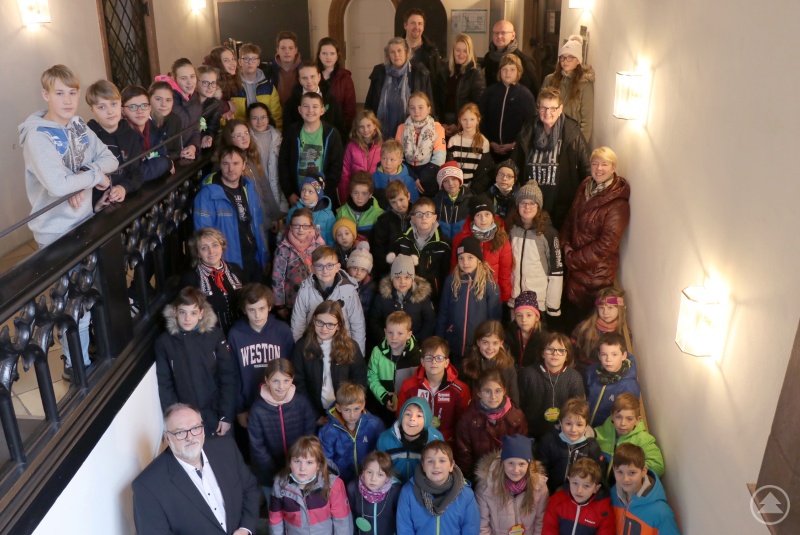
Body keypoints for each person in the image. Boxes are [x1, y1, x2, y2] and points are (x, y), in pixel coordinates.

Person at [20, 64, 117, 379]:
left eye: (72, 93)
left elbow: (110, 159)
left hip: (83, 221)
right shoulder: (37, 135)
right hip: (56, 232)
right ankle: (76, 365)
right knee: (72, 303)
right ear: (45, 94)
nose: (67, 100)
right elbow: (58, 186)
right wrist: (90, 177)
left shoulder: (77, 125)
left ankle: (82, 356)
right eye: (59, 93)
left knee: (87, 296)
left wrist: (80, 179)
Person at [132, 404, 259, 535]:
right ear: (168, 438)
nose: (190, 437)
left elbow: (249, 490)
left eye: (195, 428)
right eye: (180, 432)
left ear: (203, 430)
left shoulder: (226, 448)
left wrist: (245, 528)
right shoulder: (147, 486)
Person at [560, 147, 631, 326]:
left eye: (604, 164)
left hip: (594, 276)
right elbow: (571, 216)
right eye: (595, 164)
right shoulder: (586, 185)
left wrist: (572, 258)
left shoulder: (618, 205)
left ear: (613, 168)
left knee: (585, 326)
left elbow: (605, 246)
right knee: (569, 324)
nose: (599, 169)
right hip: (574, 269)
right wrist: (565, 243)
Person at [155, 288, 238, 437]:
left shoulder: (214, 335)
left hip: (216, 413)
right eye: (182, 312)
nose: (187, 318)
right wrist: (175, 418)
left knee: (222, 455)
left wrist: (226, 415)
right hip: (187, 419)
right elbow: (165, 384)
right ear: (175, 312)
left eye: (193, 313)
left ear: (201, 313)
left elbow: (228, 376)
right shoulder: (164, 342)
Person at [510, 87, 591, 231]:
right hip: (530, 203)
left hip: (560, 204)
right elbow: (515, 163)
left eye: (553, 108)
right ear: (538, 108)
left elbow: (586, 167)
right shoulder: (528, 129)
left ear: (561, 109)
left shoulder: (572, 132)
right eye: (544, 108)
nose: (548, 113)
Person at [194, 145, 268, 282]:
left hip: (253, 259)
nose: (231, 169)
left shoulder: (249, 187)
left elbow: (258, 224)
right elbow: (203, 236)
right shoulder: (207, 194)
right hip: (228, 264)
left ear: (244, 165)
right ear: (220, 165)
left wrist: (264, 257)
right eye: (226, 164)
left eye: (236, 163)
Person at [248, 358, 317, 504]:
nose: (281, 386)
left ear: (292, 379)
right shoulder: (257, 409)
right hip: (269, 474)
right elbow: (257, 446)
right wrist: (276, 472)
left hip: (299, 470)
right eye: (275, 381)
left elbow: (309, 435)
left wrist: (296, 466)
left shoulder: (301, 402)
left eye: (286, 381)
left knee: (298, 509)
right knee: (275, 508)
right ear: (266, 380)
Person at [227, 283, 295, 424]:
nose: (257, 315)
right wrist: (239, 409)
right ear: (244, 310)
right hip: (249, 405)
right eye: (251, 310)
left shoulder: (282, 330)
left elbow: (292, 369)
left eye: (261, 309)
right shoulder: (236, 334)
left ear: (270, 307)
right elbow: (233, 374)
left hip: (280, 403)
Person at [291, 300, 368, 418]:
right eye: (320, 322)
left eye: (330, 324)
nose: (324, 328)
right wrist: (315, 416)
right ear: (314, 320)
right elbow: (298, 385)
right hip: (312, 413)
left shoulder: (351, 347)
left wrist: (346, 412)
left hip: (345, 413)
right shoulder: (302, 347)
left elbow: (359, 382)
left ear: (339, 326)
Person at [268, 436, 354, 535]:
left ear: (318, 465)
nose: (302, 468)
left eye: (309, 462)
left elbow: (342, 522)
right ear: (289, 463)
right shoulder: (280, 485)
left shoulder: (334, 484)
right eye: (297, 461)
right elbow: (275, 520)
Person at [436, 236, 502, 364]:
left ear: (478, 260)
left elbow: (494, 319)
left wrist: (489, 343)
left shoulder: (490, 285)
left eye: (470, 257)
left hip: (478, 348)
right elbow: (443, 313)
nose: (465, 262)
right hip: (453, 344)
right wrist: (440, 340)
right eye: (461, 258)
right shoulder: (451, 281)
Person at [290, 245, 367, 352]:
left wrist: (358, 355)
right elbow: (298, 324)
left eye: (330, 265)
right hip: (314, 347)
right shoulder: (305, 291)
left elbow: (357, 325)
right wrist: (300, 351)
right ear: (312, 268)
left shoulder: (349, 291)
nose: (325, 270)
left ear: (337, 267)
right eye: (319, 266)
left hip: (342, 348)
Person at [396, 440, 481, 535]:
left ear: (451, 465)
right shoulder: (408, 492)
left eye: (442, 460)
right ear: (423, 465)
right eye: (430, 461)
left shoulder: (466, 494)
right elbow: (405, 529)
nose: (436, 466)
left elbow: (471, 529)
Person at [454, 369, 527, 479]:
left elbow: (521, 452)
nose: (493, 397)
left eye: (498, 391)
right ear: (479, 393)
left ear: (504, 391)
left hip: (509, 476)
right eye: (487, 391)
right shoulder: (467, 420)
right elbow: (464, 457)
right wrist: (473, 481)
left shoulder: (517, 417)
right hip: (480, 478)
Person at [396, 336, 470, 443]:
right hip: (416, 442)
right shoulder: (408, 386)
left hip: (447, 444)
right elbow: (401, 417)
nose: (434, 362)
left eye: (439, 358)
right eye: (429, 358)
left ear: (446, 362)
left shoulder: (460, 390)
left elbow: (463, 424)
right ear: (422, 361)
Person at [507, 181, 563, 318]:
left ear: (538, 206)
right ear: (517, 205)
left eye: (532, 203)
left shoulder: (549, 233)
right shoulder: (511, 229)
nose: (527, 207)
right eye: (523, 203)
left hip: (537, 301)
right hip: (514, 299)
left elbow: (556, 270)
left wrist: (553, 306)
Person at [278, 92, 344, 207]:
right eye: (306, 106)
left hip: (322, 196)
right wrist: (289, 193)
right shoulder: (291, 132)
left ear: (322, 110)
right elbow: (283, 163)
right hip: (297, 195)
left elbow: (336, 167)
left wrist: (323, 193)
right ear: (299, 109)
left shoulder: (332, 134)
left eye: (315, 106)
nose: (310, 110)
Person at [474, 435, 548, 535]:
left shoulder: (539, 487)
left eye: (521, 464)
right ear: (503, 462)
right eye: (510, 463)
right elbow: (482, 527)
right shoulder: (486, 488)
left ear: (529, 464)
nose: (516, 470)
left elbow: (540, 522)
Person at [518, 333, 585, 441]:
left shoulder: (574, 377)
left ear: (567, 356)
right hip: (531, 433)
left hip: (563, 434)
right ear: (543, 353)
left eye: (561, 350)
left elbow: (578, 410)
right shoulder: (528, 374)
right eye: (550, 349)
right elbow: (520, 406)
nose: (555, 354)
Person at [85, 80, 142, 208]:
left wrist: (124, 187)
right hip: (96, 206)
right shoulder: (87, 137)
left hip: (126, 200)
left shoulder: (132, 136)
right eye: (101, 107)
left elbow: (137, 173)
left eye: (114, 104)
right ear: (92, 109)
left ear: (121, 104)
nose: (110, 111)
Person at [365, 37, 434, 141]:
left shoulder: (419, 72)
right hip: (382, 128)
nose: (396, 55)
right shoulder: (379, 72)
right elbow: (370, 102)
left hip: (411, 130)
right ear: (388, 55)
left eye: (399, 51)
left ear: (406, 52)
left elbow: (428, 102)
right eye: (392, 52)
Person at [221, 118, 282, 237]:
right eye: (239, 135)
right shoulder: (226, 166)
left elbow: (265, 187)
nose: (245, 138)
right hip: (247, 225)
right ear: (229, 139)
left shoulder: (251, 156)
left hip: (264, 219)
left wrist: (275, 216)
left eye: (246, 133)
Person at [180, 227, 246, 334]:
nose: (211, 251)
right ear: (197, 253)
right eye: (204, 248)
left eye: (215, 245)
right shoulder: (190, 279)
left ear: (222, 247)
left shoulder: (236, 270)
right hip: (210, 336)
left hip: (241, 333)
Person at [319, 383, 386, 484]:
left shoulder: (375, 425)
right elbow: (326, 461)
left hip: (370, 481)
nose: (352, 415)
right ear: (338, 407)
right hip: (341, 481)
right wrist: (334, 483)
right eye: (347, 410)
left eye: (356, 409)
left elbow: (382, 454)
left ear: (363, 405)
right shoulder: (328, 431)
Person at [451, 195, 512, 304]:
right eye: (478, 215)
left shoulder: (502, 238)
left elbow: (505, 273)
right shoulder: (461, 238)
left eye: (487, 214)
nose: (483, 219)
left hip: (491, 294)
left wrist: (504, 296)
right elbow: (454, 267)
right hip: (467, 294)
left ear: (493, 216)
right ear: (473, 217)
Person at [391, 197, 452, 303]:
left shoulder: (443, 244)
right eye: (419, 214)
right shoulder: (402, 241)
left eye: (428, 214)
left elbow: (445, 275)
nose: (424, 218)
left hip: (433, 297)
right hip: (406, 295)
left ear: (434, 218)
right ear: (413, 218)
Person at [538, 398, 605, 495]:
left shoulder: (592, 448)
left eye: (579, 425)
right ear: (561, 422)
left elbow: (598, 477)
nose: (573, 429)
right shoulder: (549, 441)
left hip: (580, 496)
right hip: (552, 494)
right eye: (568, 423)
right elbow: (541, 471)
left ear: (586, 426)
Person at [610, 444, 679, 535]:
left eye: (632, 473)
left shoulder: (661, 512)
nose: (625, 479)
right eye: (619, 472)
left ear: (644, 471)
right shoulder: (612, 494)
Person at [368, 311, 423, 424]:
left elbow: (420, 382)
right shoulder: (377, 352)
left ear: (409, 334)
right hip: (383, 404)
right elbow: (371, 377)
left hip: (409, 406)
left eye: (400, 333)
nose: (394, 337)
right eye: (390, 333)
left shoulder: (418, 355)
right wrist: (383, 396)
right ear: (385, 332)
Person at [594, 394, 665, 482]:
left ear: (637, 420)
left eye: (629, 419)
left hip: (624, 489)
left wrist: (631, 470)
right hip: (598, 487)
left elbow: (658, 466)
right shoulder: (600, 433)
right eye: (619, 417)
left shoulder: (643, 440)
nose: (623, 423)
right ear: (612, 416)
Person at [480, 54, 537, 162]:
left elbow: (530, 125)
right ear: (499, 71)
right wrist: (489, 141)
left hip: (515, 152)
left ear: (518, 72)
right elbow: (482, 118)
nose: (507, 72)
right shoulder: (490, 92)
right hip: (490, 149)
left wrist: (514, 144)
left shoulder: (525, 95)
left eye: (512, 69)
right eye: (504, 69)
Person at [370, 254, 436, 346]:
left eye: (407, 277)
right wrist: (385, 340)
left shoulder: (422, 298)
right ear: (392, 279)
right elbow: (374, 321)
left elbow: (429, 321)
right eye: (398, 277)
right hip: (389, 344)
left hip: (414, 345)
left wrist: (418, 342)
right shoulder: (382, 298)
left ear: (412, 279)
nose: (402, 282)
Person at [271, 208, 325, 318]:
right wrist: (280, 305)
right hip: (294, 302)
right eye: (296, 225)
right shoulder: (283, 250)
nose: (300, 229)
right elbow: (277, 279)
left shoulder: (319, 245)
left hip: (318, 300)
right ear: (290, 227)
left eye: (305, 226)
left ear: (311, 227)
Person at [377, 396, 443, 483]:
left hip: (422, 488)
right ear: (401, 417)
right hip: (392, 487)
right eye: (408, 414)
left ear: (426, 420)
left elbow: (441, 470)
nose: (412, 418)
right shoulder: (385, 438)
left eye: (419, 415)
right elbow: (378, 468)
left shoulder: (435, 439)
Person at [542, 35, 595, 144]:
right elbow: (539, 106)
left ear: (578, 61)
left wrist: (579, 144)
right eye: (562, 57)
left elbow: (587, 120)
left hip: (571, 137)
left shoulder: (584, 84)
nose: (565, 61)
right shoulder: (550, 79)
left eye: (570, 57)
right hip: (549, 134)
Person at [542, 458, 614, 535]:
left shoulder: (604, 511)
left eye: (586, 486)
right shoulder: (556, 501)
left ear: (596, 488)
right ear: (569, 480)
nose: (579, 490)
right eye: (575, 483)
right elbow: (549, 530)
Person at [395, 92, 446, 197]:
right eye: (412, 108)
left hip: (429, 173)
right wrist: (413, 178)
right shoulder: (401, 128)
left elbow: (439, 159)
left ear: (429, 109)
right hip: (406, 172)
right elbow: (398, 156)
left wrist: (421, 179)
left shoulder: (438, 129)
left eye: (421, 107)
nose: (416, 111)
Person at [248, 101, 288, 235]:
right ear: (249, 120)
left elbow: (284, 174)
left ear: (268, 118)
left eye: (263, 117)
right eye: (255, 118)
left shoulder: (280, 139)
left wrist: (282, 208)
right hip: (256, 192)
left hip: (275, 192)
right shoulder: (246, 139)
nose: (259, 121)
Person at [585, 332, 641, 428]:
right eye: (604, 354)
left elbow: (628, 417)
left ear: (623, 356)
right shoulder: (590, 372)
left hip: (608, 432)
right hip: (585, 425)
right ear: (599, 355)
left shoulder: (630, 386)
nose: (608, 359)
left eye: (614, 354)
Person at [120, 85, 174, 181]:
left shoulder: (153, 127)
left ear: (150, 108)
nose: (140, 111)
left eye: (144, 106)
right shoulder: (123, 135)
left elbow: (162, 153)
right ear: (123, 111)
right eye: (132, 107)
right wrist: (167, 163)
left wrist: (163, 161)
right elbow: (136, 174)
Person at [283, 61, 347, 141]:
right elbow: (287, 130)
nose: (309, 81)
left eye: (312, 76)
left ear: (319, 77)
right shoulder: (291, 103)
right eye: (304, 78)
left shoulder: (332, 101)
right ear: (299, 80)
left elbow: (340, 128)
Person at [460, 321, 519, 405]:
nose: (490, 348)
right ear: (478, 342)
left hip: (502, 414)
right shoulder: (469, 364)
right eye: (485, 342)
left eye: (495, 343)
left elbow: (514, 398)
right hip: (475, 413)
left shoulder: (507, 365)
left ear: (501, 343)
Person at [572, 287, 630, 374]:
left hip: (609, 378)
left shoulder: (624, 333)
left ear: (619, 309)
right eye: (601, 308)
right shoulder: (584, 327)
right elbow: (571, 352)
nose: (605, 312)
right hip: (583, 374)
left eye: (610, 308)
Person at [347, 451, 403, 535]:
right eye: (369, 472)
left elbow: (401, 520)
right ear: (363, 472)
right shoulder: (353, 488)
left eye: (380, 475)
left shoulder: (395, 490)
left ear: (387, 477)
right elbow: (350, 517)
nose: (373, 479)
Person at [155, 58, 201, 159]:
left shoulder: (195, 98)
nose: (190, 82)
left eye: (192, 76)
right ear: (174, 79)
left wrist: (193, 147)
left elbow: (195, 129)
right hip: (168, 158)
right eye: (183, 78)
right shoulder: (167, 102)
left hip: (186, 156)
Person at [402, 8, 445, 117]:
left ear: (423, 27)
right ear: (405, 26)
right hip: (401, 107)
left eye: (420, 24)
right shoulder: (396, 50)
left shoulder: (432, 52)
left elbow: (436, 84)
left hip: (423, 110)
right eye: (413, 23)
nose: (417, 27)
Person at [442, 34, 486, 137]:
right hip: (444, 124)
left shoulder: (475, 73)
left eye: (465, 51)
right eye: (458, 50)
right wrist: (440, 123)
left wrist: (459, 125)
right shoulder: (444, 71)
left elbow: (478, 105)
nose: (461, 54)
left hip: (465, 125)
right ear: (453, 51)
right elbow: (437, 99)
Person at [231, 43, 283, 130]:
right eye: (246, 59)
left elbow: (276, 117)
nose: (250, 62)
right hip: (240, 134)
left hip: (264, 134)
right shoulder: (232, 87)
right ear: (240, 61)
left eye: (253, 59)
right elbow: (225, 115)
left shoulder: (269, 88)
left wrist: (277, 137)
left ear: (258, 62)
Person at [483, 20, 540, 96]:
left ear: (513, 36)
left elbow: (533, 91)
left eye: (503, 33)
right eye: (496, 33)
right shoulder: (488, 57)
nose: (499, 36)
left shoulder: (524, 61)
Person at [446, 103, 493, 192]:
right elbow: (450, 167)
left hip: (474, 189)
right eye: (465, 119)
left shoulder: (484, 142)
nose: (468, 123)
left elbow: (484, 171)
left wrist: (473, 190)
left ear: (478, 120)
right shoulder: (453, 141)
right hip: (455, 188)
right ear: (460, 120)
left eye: (472, 119)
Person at [372, 180, 414, 278]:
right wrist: (388, 266)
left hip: (413, 268)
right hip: (390, 270)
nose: (398, 205)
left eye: (401, 199)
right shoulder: (383, 221)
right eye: (393, 202)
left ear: (408, 196)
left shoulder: (418, 216)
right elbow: (378, 248)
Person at [342, 109, 383, 201]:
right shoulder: (351, 147)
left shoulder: (382, 147)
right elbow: (345, 175)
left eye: (369, 125)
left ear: (375, 126)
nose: (365, 130)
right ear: (357, 128)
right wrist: (344, 200)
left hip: (376, 195)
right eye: (361, 126)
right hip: (356, 195)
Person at [317, 37, 357, 132]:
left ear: (337, 56)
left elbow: (350, 109)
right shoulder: (312, 75)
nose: (328, 57)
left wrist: (343, 129)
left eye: (332, 53)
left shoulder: (345, 77)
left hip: (338, 128)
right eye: (324, 53)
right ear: (318, 55)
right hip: (315, 128)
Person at [285, 175, 336, 245]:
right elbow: (287, 234)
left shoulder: (328, 215)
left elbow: (331, 240)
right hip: (298, 252)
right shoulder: (293, 212)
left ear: (318, 195)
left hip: (320, 253)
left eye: (310, 192)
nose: (305, 194)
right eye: (303, 190)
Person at [505, 291, 549, 368]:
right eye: (519, 315)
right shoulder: (507, 335)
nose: (524, 320)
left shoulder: (545, 338)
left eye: (529, 315)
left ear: (537, 317)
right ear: (515, 317)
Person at [336, 171, 385, 241]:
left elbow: (381, 241)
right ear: (351, 193)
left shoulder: (379, 214)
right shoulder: (342, 213)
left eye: (364, 194)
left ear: (370, 194)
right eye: (356, 193)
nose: (360, 197)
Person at [434, 162, 473, 241]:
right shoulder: (436, 202)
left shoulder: (471, 201)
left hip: (464, 245)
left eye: (454, 179)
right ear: (442, 184)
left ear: (460, 180)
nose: (450, 184)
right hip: (442, 245)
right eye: (445, 181)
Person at [372, 139, 417, 207]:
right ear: (380, 158)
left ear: (400, 161)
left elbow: (414, 204)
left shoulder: (408, 181)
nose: (388, 163)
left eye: (392, 160)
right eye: (384, 158)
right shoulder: (373, 178)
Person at [149, 80, 183, 160]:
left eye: (168, 100)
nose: (163, 104)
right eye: (158, 99)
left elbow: (176, 151)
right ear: (149, 99)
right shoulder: (143, 122)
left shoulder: (176, 120)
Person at [205, 45, 240, 120]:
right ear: (217, 64)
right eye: (226, 60)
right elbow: (206, 106)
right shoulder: (211, 83)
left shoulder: (230, 78)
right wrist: (227, 106)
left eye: (233, 59)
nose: (232, 63)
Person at [270, 31, 304, 106]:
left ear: (296, 50)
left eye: (290, 48)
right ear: (277, 50)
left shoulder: (305, 70)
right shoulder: (269, 71)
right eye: (283, 48)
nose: (287, 52)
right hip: (275, 114)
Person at [197, 65, 223, 148]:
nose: (210, 87)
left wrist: (208, 135)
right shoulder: (188, 101)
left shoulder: (215, 103)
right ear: (196, 82)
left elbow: (212, 126)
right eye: (205, 82)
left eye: (213, 83)